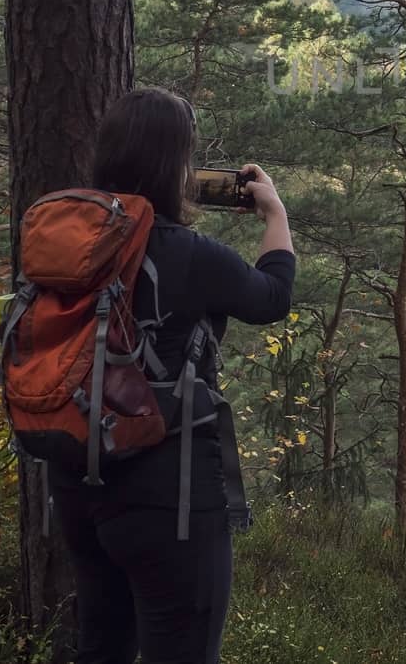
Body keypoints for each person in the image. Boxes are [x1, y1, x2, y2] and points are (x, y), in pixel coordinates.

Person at [49, 87, 295, 664]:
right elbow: (273, 297)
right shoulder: (188, 253)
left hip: (78, 480)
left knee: (101, 648)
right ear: (176, 167)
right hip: (170, 494)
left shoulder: (65, 243)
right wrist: (276, 214)